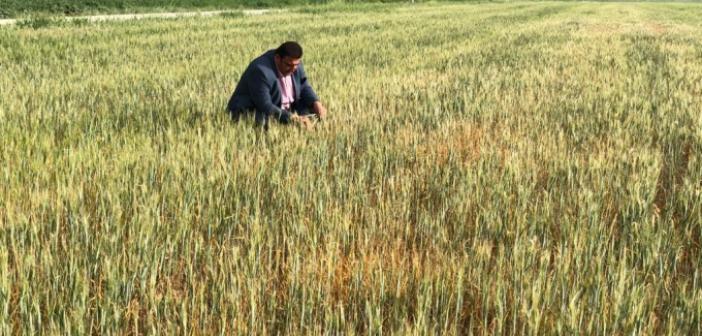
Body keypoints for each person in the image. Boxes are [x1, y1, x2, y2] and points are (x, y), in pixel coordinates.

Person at [227, 41, 327, 129]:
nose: (293, 70)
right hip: (252, 110)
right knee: (270, 123)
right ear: (277, 58)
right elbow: (265, 105)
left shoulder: (294, 63)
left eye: (296, 65)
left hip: (283, 107)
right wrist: (292, 118)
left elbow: (303, 86)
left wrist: (316, 103)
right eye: (288, 65)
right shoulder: (260, 71)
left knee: (313, 112)